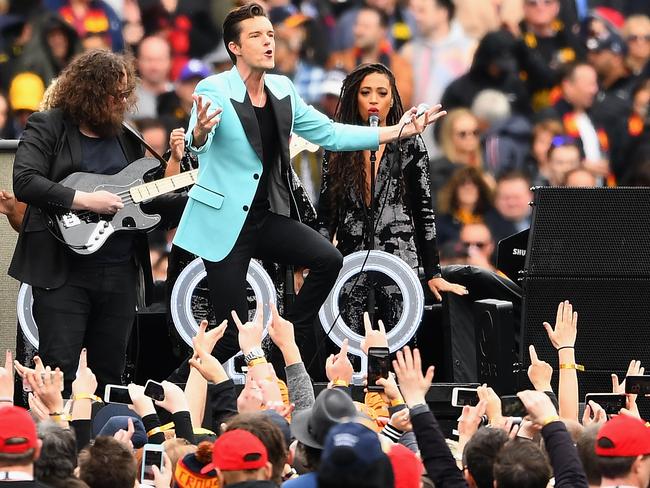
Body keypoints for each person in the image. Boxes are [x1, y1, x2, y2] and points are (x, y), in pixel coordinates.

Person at [173, 3, 447, 365]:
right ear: (234, 47)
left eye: (270, 34)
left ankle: (294, 326)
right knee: (231, 333)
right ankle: (169, 390)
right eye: (256, 36)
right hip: (224, 223)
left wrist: (396, 131)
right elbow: (197, 145)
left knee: (328, 259)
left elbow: (330, 134)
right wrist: (200, 132)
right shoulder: (214, 87)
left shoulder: (283, 89)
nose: (268, 42)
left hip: (264, 217)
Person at [8, 49, 165, 395]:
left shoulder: (127, 136)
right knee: (59, 371)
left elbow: (141, 201)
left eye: (126, 94)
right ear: (90, 93)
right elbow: (25, 181)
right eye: (115, 95)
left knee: (109, 374)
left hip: (119, 272)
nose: (122, 102)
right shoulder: (49, 125)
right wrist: (85, 199)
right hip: (62, 273)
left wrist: (178, 173)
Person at [314, 62, 466, 334]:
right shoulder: (337, 147)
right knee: (352, 347)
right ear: (353, 97)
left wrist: (433, 273)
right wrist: (315, 265)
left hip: (400, 265)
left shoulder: (409, 144)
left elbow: (424, 212)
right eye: (366, 92)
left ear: (392, 98)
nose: (374, 100)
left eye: (382, 93)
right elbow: (327, 214)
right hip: (351, 263)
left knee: (399, 347)